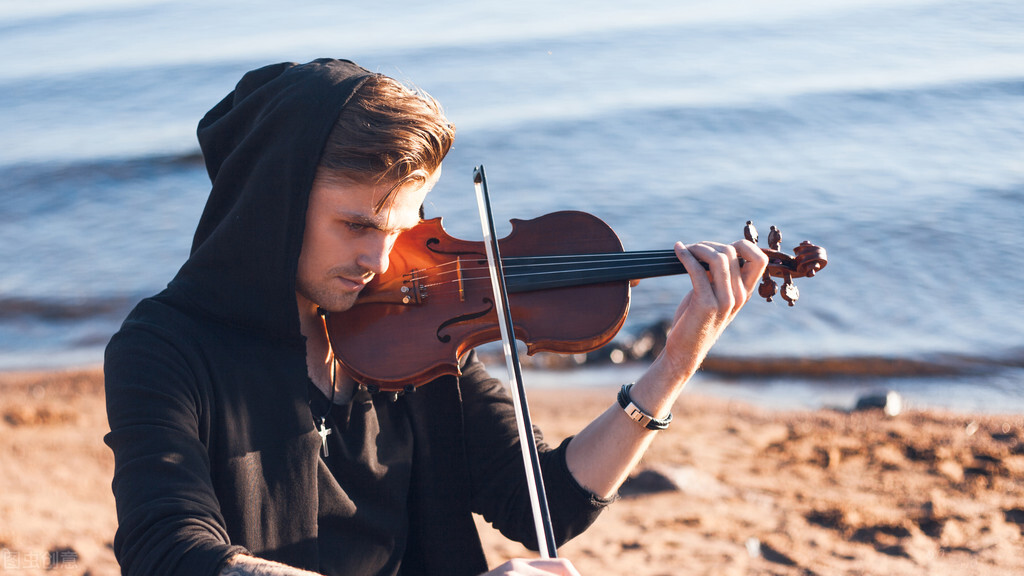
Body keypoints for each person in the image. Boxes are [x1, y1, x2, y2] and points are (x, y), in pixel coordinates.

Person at [103, 58, 768, 576]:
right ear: (274, 201)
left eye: (400, 226)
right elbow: (172, 553)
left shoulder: (414, 327)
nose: (379, 257)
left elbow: (544, 503)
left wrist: (677, 361)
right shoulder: (165, 349)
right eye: (355, 225)